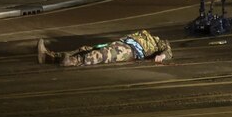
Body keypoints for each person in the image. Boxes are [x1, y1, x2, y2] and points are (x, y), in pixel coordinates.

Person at [37, 29, 173, 66]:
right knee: (88, 48)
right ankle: (50, 58)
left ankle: (72, 61)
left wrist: (162, 56)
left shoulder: (159, 43)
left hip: (129, 51)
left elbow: (169, 52)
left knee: (101, 55)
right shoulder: (146, 34)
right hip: (121, 44)